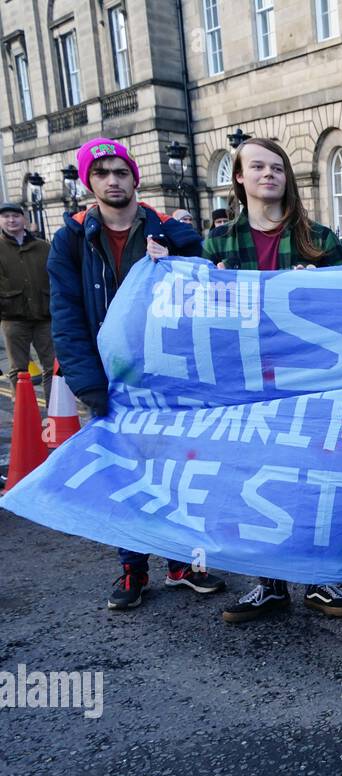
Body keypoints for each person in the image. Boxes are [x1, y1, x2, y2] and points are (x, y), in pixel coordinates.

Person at [48, 137, 225, 609]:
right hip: (108, 379)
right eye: (102, 172)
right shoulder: (70, 240)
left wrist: (178, 258)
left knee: (178, 468)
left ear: (134, 178)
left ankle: (182, 562)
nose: (112, 180)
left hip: (166, 378)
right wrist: (88, 383)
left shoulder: (169, 229)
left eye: (120, 171)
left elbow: (204, 288)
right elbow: (65, 315)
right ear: (90, 181)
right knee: (125, 471)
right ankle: (132, 568)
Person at [202, 138, 342, 623]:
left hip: (309, 380)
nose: (269, 174)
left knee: (312, 477)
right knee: (257, 477)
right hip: (245, 383)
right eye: (258, 167)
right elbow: (198, 323)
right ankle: (268, 583)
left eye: (277, 167)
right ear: (240, 179)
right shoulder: (217, 244)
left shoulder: (322, 239)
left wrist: (319, 289)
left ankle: (316, 579)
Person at [0, 202, 55, 408]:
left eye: (15, 216)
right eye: (6, 217)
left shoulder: (43, 247)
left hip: (44, 316)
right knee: (19, 369)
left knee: (52, 366)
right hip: (13, 317)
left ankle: (54, 410)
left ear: (24, 219)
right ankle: (24, 411)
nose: (11, 220)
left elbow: (55, 277)